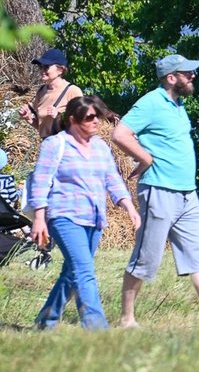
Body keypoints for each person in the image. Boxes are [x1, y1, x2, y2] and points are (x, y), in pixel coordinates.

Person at [111, 54, 199, 332]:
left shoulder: (177, 105)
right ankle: (126, 320)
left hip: (187, 193)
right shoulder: (151, 102)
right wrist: (146, 159)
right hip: (159, 191)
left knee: (197, 255)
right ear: (171, 77)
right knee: (146, 258)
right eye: (187, 72)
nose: (193, 76)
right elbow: (120, 134)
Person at [28, 95, 141, 330]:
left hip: (94, 218)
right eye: (90, 117)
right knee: (84, 271)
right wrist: (39, 218)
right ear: (73, 120)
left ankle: (44, 322)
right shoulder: (55, 144)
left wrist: (129, 206)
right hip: (64, 216)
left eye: (97, 116)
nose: (96, 122)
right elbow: (40, 182)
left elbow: (112, 179)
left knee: (71, 273)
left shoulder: (100, 146)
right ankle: (97, 329)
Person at [18, 48, 83, 139]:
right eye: (40, 66)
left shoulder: (72, 91)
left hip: (67, 147)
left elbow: (81, 121)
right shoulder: (41, 92)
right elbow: (42, 128)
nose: (42, 70)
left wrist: (59, 116)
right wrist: (28, 118)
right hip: (48, 146)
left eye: (46, 67)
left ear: (60, 70)